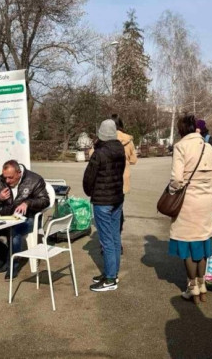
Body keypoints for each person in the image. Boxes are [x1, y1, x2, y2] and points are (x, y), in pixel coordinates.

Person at [168, 115, 212, 303]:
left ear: (181, 130)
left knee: (187, 245)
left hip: (187, 202)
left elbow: (177, 179)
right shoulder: (209, 147)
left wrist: (172, 191)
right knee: (202, 243)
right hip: (204, 201)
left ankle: (192, 286)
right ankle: (202, 284)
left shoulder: (181, 147)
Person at [0, 160, 50, 280]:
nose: (7, 181)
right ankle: (6, 256)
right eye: (5, 177)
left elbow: (45, 201)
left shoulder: (35, 180)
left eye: (10, 178)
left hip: (29, 218)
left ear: (19, 173)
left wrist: (28, 203)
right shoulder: (1, 180)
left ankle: (12, 266)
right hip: (7, 217)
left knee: (14, 231)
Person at [83, 119, 126, 292]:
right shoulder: (120, 149)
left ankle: (110, 280)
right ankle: (112, 273)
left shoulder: (99, 153)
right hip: (117, 198)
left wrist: (89, 191)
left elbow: (89, 177)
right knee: (115, 237)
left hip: (102, 201)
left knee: (107, 240)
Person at [111, 114, 137, 250]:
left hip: (107, 179)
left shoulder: (105, 138)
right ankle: (117, 240)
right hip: (122, 179)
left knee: (106, 210)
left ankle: (107, 243)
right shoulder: (128, 140)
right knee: (118, 209)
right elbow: (134, 160)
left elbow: (92, 155)